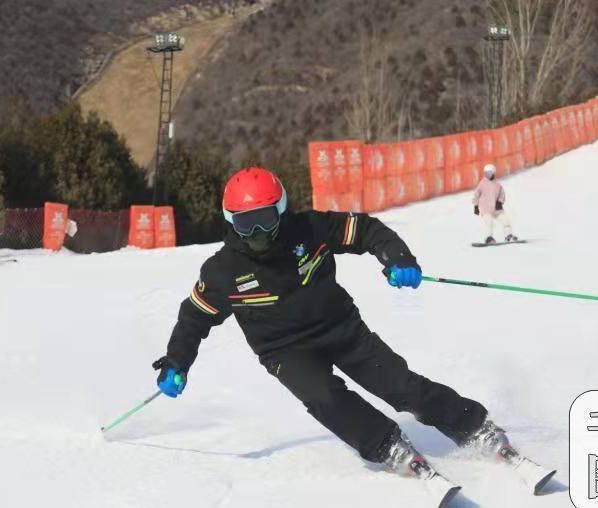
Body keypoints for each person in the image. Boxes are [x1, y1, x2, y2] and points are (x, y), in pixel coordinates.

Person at [153, 167, 510, 482]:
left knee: (400, 385)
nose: (258, 231)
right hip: (285, 350)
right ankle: (385, 444)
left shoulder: (310, 228)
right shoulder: (223, 271)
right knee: (324, 397)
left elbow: (367, 230)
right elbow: (193, 318)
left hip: (341, 329)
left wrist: (397, 259)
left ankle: (474, 426)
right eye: (247, 224)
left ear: (281, 210)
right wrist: (176, 361)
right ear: (231, 221)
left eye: (265, 218)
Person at [472, 164, 518, 245]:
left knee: (506, 221)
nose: (487, 175)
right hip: (486, 209)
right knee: (489, 223)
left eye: (489, 173)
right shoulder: (482, 183)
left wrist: (500, 202)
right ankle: (488, 238)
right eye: (486, 173)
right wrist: (476, 206)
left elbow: (502, 194)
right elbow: (476, 195)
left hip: (497, 209)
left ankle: (508, 235)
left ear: (493, 172)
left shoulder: (497, 184)